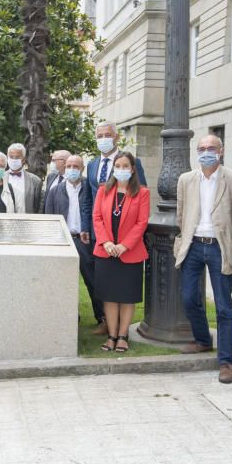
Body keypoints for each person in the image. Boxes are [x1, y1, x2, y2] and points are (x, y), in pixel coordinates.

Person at [174, 135, 232, 384]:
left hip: (220, 248)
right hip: (193, 245)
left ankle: (226, 361)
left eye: (211, 148)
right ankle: (203, 340)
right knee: (188, 298)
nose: (206, 152)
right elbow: (181, 213)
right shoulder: (186, 179)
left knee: (224, 306)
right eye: (202, 149)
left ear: (221, 151)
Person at [93, 152, 150, 353]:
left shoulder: (142, 193)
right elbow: (97, 217)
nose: (121, 169)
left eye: (126, 165)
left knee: (126, 296)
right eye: (118, 165)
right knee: (109, 296)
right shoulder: (103, 191)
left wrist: (124, 245)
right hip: (106, 252)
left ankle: (123, 336)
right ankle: (111, 336)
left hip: (130, 253)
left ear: (132, 169)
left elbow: (141, 223)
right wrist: (107, 242)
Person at [44, 154, 102, 326]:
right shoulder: (55, 190)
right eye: (69, 166)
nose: (71, 169)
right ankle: (68, 316)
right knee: (64, 281)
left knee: (92, 279)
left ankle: (101, 317)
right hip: (63, 240)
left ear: (82, 169)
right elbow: (49, 217)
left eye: (76, 166)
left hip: (84, 240)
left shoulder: (89, 188)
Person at [86, 122, 148, 200]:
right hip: (96, 212)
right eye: (100, 136)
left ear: (117, 137)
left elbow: (141, 193)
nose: (103, 139)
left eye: (108, 135)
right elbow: (87, 197)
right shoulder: (91, 165)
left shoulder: (132, 161)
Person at [6, 143, 43, 214]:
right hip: (5, 220)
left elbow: (38, 206)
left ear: (23, 159)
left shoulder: (35, 180)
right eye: (11, 157)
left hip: (27, 221)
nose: (13, 160)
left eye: (17, 157)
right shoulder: (1, 178)